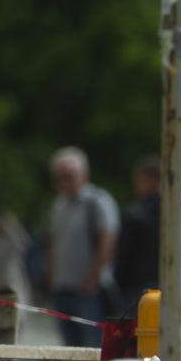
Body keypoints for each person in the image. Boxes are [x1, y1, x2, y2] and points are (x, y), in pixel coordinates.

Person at [114, 154, 181, 313]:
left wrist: (119, 286)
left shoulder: (136, 213)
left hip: (141, 292)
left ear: (151, 179)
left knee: (141, 336)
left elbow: (123, 256)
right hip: (180, 289)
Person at [43, 146, 119, 348]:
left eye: (68, 177)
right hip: (62, 287)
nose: (63, 183)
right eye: (59, 178)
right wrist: (51, 275)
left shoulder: (97, 201)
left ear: (83, 175)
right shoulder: (58, 205)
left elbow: (108, 239)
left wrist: (92, 277)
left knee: (92, 345)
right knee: (69, 347)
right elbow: (52, 241)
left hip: (89, 290)